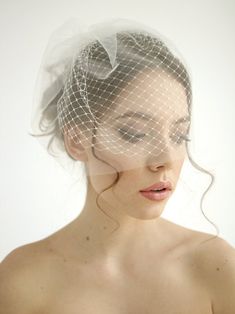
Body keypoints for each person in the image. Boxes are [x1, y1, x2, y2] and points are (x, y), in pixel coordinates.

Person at [1, 18, 235, 314]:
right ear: (77, 140)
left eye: (179, 134)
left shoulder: (216, 267)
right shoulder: (22, 280)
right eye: (133, 133)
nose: (165, 158)